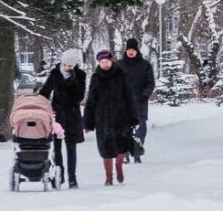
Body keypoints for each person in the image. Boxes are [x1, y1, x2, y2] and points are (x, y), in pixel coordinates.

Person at [84, 50, 139, 186]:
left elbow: (129, 97)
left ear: (111, 61)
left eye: (107, 62)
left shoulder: (121, 75)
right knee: (105, 148)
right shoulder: (96, 77)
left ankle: (119, 166)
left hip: (121, 116)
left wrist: (133, 118)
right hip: (102, 118)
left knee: (121, 146)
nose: (105, 64)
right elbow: (91, 100)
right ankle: (109, 176)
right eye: (102, 62)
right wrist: (88, 122)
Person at [38, 49, 86, 188]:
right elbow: (45, 91)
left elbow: (80, 96)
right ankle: (59, 175)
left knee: (71, 147)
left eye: (70, 66)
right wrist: (40, 103)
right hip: (57, 114)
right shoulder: (55, 73)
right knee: (57, 147)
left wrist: (73, 82)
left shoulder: (80, 75)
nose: (66, 68)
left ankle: (72, 177)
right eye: (65, 65)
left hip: (72, 114)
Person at [118, 38, 154, 163]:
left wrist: (145, 95)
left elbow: (150, 83)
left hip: (140, 102)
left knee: (141, 129)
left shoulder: (145, 65)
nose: (131, 52)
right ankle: (125, 153)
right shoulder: (119, 65)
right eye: (129, 49)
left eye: (133, 50)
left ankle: (137, 152)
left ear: (137, 50)